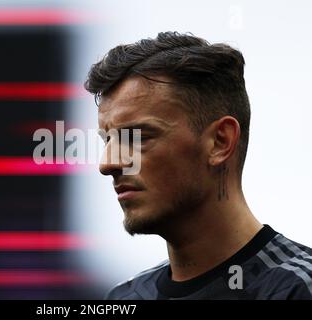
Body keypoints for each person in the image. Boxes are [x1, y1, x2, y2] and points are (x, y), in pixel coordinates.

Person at [84, 31, 312, 299]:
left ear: (220, 141)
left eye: (138, 137)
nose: (108, 163)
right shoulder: (123, 298)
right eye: (108, 140)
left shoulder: (297, 289)